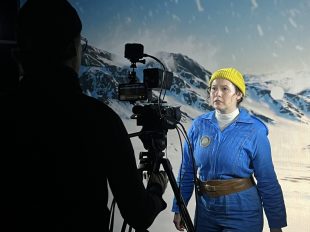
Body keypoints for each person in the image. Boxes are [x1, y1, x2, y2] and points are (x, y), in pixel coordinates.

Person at [14, 0, 168, 231]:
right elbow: (139, 215)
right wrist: (156, 189)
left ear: (18, 55)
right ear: (72, 50)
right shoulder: (99, 120)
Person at [171, 67, 287, 232]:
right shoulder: (199, 125)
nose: (217, 93)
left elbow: (267, 180)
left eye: (224, 89)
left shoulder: (255, 130)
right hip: (206, 213)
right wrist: (179, 207)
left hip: (243, 213)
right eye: (213, 88)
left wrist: (276, 224)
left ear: (238, 94)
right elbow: (186, 171)